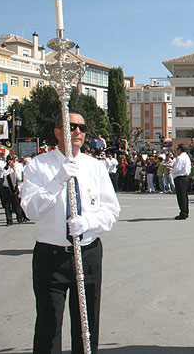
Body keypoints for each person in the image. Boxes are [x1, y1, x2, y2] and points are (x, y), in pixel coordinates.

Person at [20, 112, 120, 354]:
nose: (78, 132)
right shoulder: (39, 166)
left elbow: (111, 209)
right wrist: (57, 181)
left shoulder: (95, 166)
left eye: (82, 127)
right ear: (57, 132)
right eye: (72, 126)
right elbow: (30, 210)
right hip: (51, 256)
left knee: (87, 325)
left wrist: (88, 222)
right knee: (49, 323)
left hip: (88, 253)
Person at [172, 144, 191, 220]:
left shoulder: (180, 158)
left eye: (177, 148)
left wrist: (171, 170)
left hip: (180, 177)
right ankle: (185, 211)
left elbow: (177, 168)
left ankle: (183, 212)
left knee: (181, 196)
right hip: (184, 177)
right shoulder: (186, 156)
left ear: (180, 149)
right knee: (184, 196)